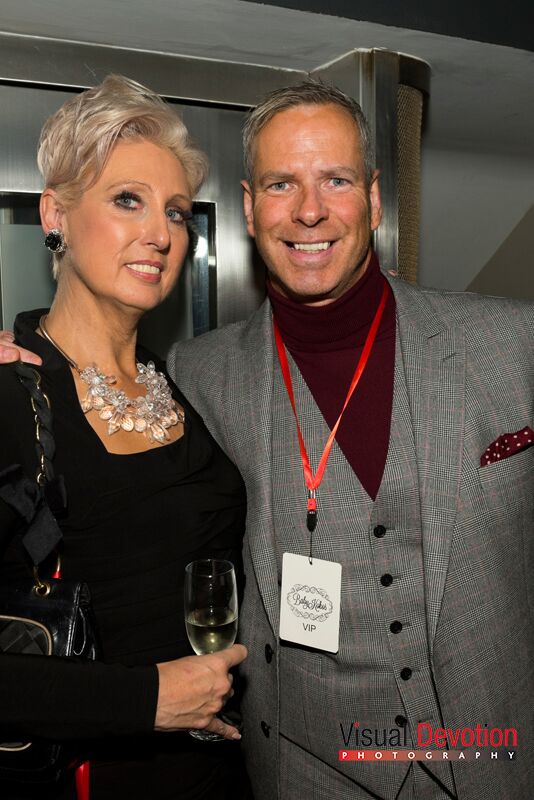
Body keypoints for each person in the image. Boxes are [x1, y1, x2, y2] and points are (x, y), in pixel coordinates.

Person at [3, 81, 533, 800]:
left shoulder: (514, 344)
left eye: (335, 180)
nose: (310, 210)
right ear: (250, 209)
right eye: (283, 183)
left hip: (493, 760)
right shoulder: (203, 371)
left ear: (375, 199)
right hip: (298, 770)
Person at [0, 75, 248, 800]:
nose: (162, 235)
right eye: (127, 200)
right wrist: (145, 701)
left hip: (220, 774)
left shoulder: (188, 383)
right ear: (56, 214)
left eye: (176, 212)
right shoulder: (11, 397)